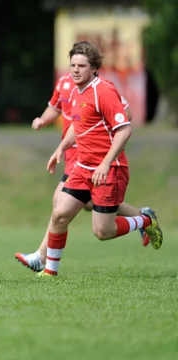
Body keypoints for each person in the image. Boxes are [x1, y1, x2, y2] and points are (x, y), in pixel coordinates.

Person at [15, 41, 154, 273]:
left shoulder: (104, 91)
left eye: (81, 65)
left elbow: (125, 128)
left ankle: (145, 220)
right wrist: (60, 149)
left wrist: (105, 163)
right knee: (60, 213)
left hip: (108, 169)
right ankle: (49, 270)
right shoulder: (73, 88)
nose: (76, 70)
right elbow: (76, 124)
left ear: (94, 68)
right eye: (72, 65)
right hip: (82, 166)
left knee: (102, 232)